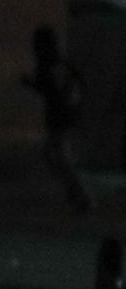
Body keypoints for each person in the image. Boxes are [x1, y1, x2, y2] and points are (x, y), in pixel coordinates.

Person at [23, 25, 95, 214]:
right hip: (66, 116)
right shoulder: (60, 62)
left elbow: (47, 89)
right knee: (56, 156)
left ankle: (81, 195)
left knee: (59, 157)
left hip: (58, 118)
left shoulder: (48, 63)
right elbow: (77, 85)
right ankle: (76, 193)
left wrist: (28, 83)